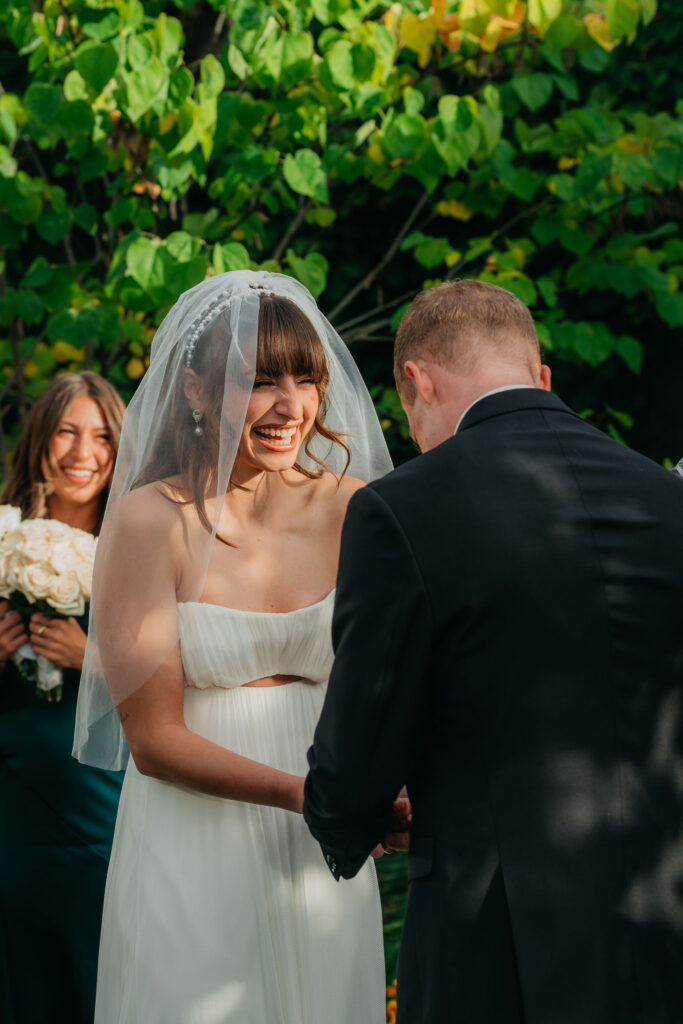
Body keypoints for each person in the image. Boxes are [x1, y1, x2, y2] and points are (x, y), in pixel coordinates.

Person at [304, 279, 683, 1024]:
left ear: (415, 380)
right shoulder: (663, 497)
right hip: (661, 902)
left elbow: (369, 717)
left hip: (494, 920)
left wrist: (347, 816)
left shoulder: (400, 507)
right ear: (542, 375)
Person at [73, 270, 391, 1024]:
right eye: (258, 380)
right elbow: (151, 740)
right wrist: (306, 796)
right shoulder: (153, 520)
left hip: (323, 851)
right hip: (194, 833)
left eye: (305, 379)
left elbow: (386, 681)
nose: (291, 407)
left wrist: (380, 789)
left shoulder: (355, 509)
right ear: (195, 390)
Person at [0, 371, 126, 1024]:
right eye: (67, 432)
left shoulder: (142, 546)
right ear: (39, 439)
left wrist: (92, 659)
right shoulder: (1, 532)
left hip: (101, 798)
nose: (84, 452)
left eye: (103, 436)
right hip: (12, 802)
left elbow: (185, 676)